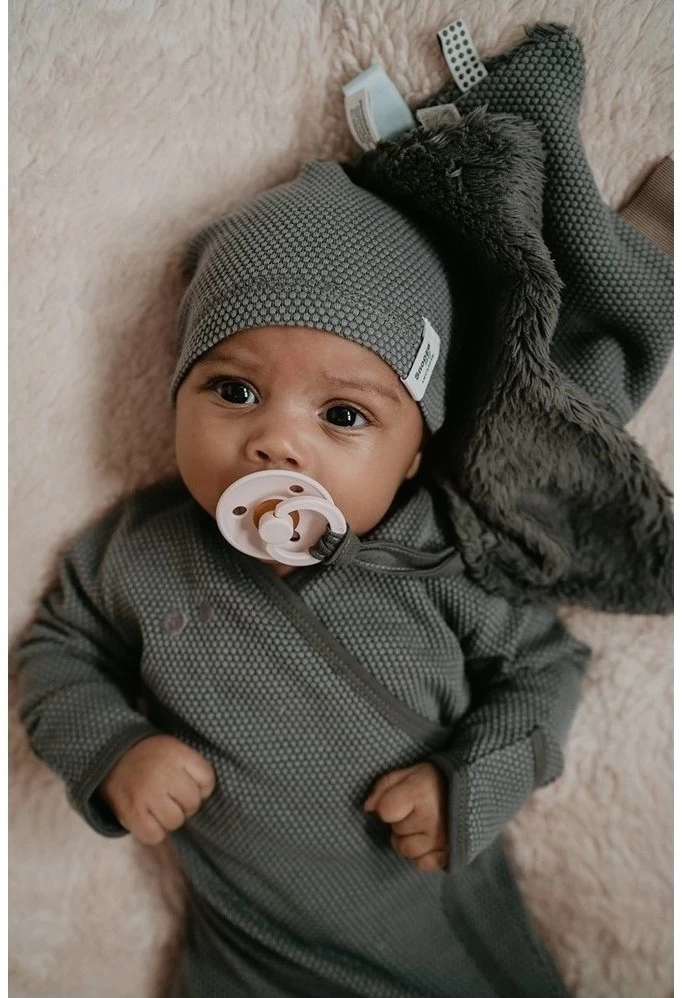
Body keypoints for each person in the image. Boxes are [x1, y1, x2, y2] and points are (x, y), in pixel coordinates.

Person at [17, 137, 597, 998]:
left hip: (435, 947)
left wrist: (475, 780)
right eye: (235, 391)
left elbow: (547, 668)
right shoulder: (142, 554)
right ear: (176, 394)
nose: (277, 441)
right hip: (246, 956)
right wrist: (111, 747)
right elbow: (55, 652)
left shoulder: (437, 556)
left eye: (343, 414)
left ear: (413, 454)